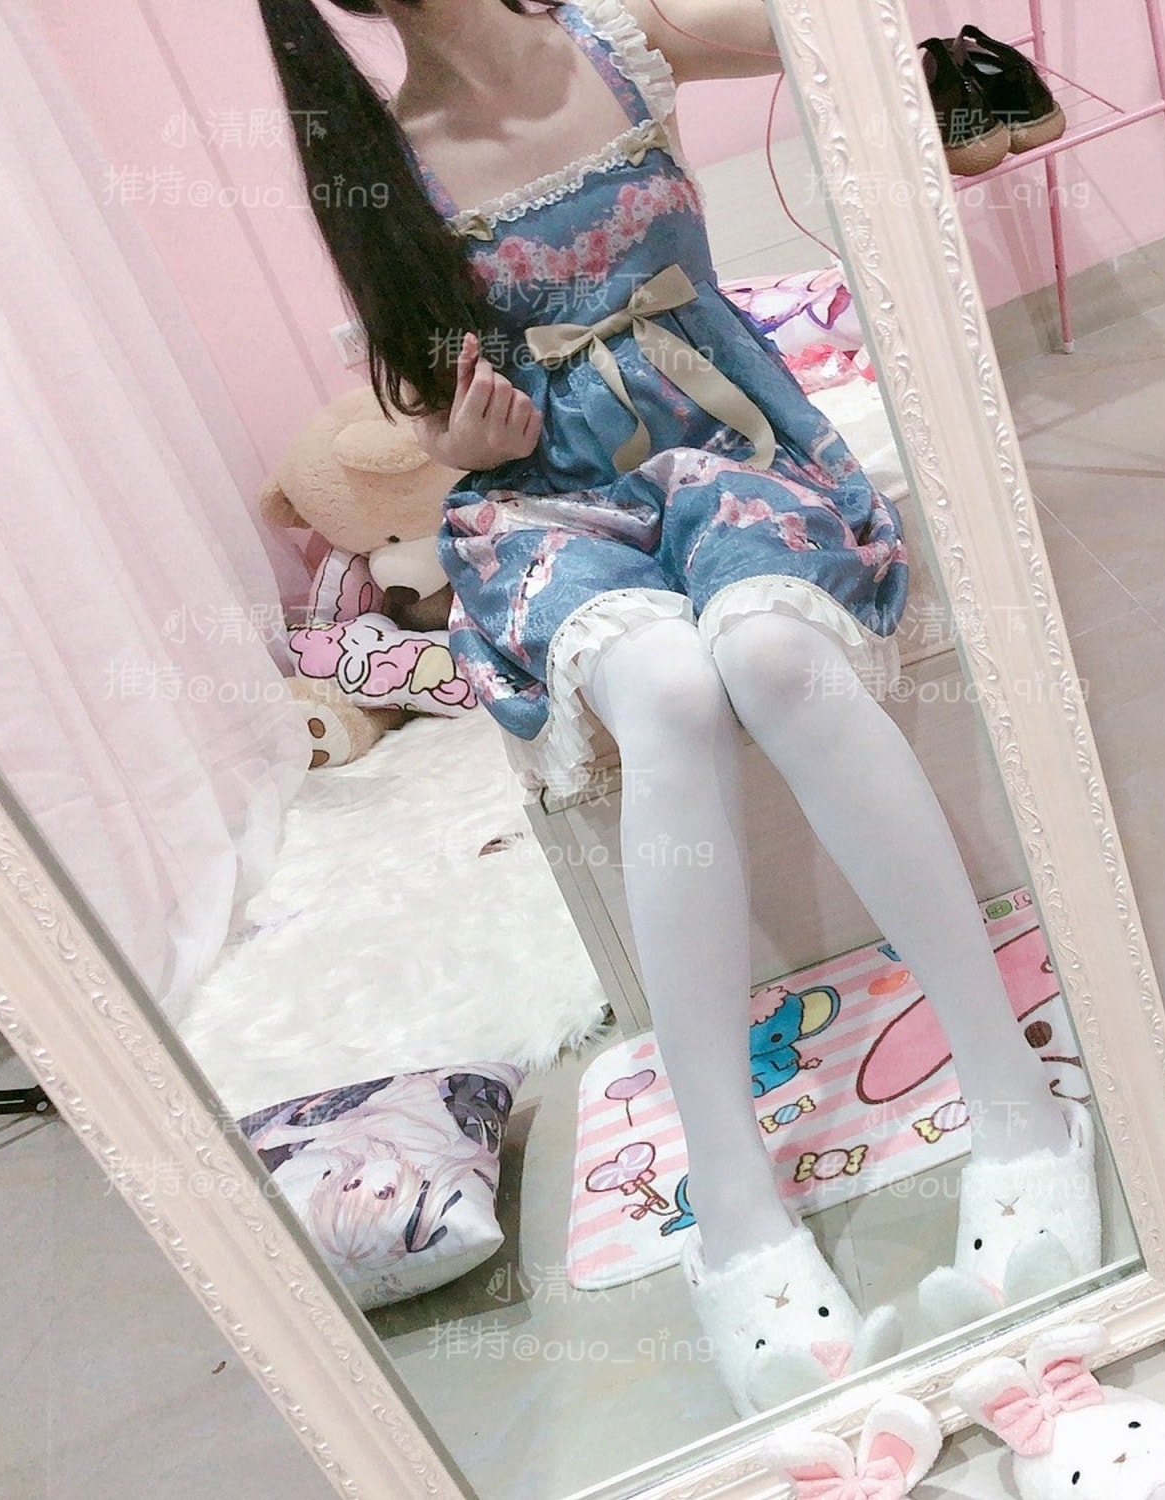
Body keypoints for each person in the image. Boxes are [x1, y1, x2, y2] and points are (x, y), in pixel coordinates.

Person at [257, 0, 1098, 1417]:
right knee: (662, 686)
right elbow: (416, 403)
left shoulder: (624, 37)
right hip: (547, 499)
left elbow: (836, 29)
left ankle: (1016, 1105)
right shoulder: (383, 162)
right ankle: (732, 1200)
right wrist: (458, 436)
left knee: (772, 656)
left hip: (729, 439)